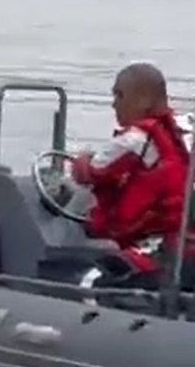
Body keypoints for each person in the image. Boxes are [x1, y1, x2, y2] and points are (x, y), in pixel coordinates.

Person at [71, 62, 192, 277]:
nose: (114, 104)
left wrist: (81, 161)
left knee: (90, 277)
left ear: (143, 100)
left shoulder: (131, 141)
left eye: (119, 95)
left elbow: (88, 172)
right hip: (183, 240)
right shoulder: (183, 131)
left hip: (157, 245)